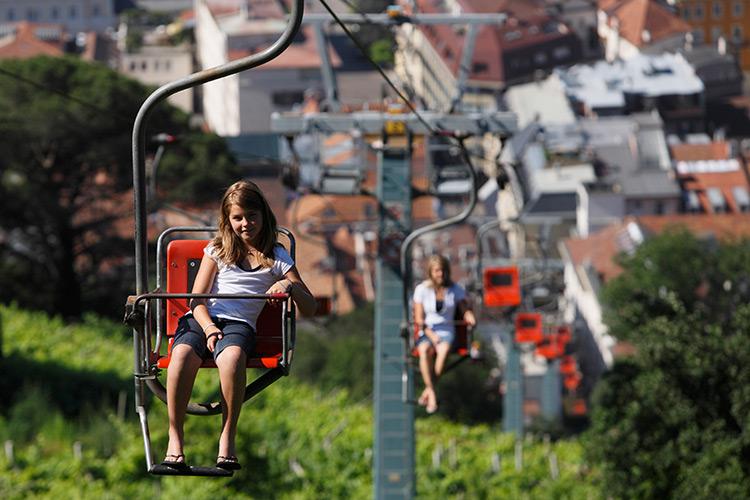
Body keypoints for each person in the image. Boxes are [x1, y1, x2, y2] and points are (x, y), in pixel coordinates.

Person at [162, 180, 316, 470]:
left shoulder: (277, 257)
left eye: (252, 216)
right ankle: (175, 436)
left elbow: (310, 307)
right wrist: (208, 328)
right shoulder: (217, 251)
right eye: (238, 218)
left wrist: (289, 286)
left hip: (238, 324)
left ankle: (227, 437)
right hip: (202, 319)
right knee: (180, 356)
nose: (246, 224)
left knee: (232, 359)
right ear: (228, 220)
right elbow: (196, 301)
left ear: (263, 216)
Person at [413, 254, 476, 414]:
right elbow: (419, 318)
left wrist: (468, 315)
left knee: (443, 351)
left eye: (442, 271)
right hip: (427, 329)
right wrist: (430, 334)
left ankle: (428, 390)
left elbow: (463, 308)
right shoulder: (422, 290)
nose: (440, 274)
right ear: (431, 272)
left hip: (446, 330)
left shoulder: (455, 290)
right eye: (436, 271)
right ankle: (431, 392)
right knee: (424, 350)